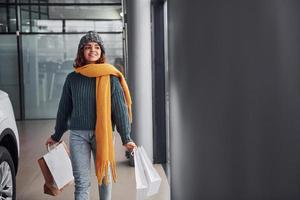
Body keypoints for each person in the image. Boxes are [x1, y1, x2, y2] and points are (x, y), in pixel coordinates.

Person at [45, 31, 136, 200]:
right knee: (82, 182)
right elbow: (64, 109)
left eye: (96, 47)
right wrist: (56, 135)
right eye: (88, 47)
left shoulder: (110, 78)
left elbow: (120, 110)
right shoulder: (72, 78)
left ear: (101, 51)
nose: (92, 50)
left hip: (104, 135)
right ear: (82, 52)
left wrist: (126, 137)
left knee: (104, 179)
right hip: (78, 135)